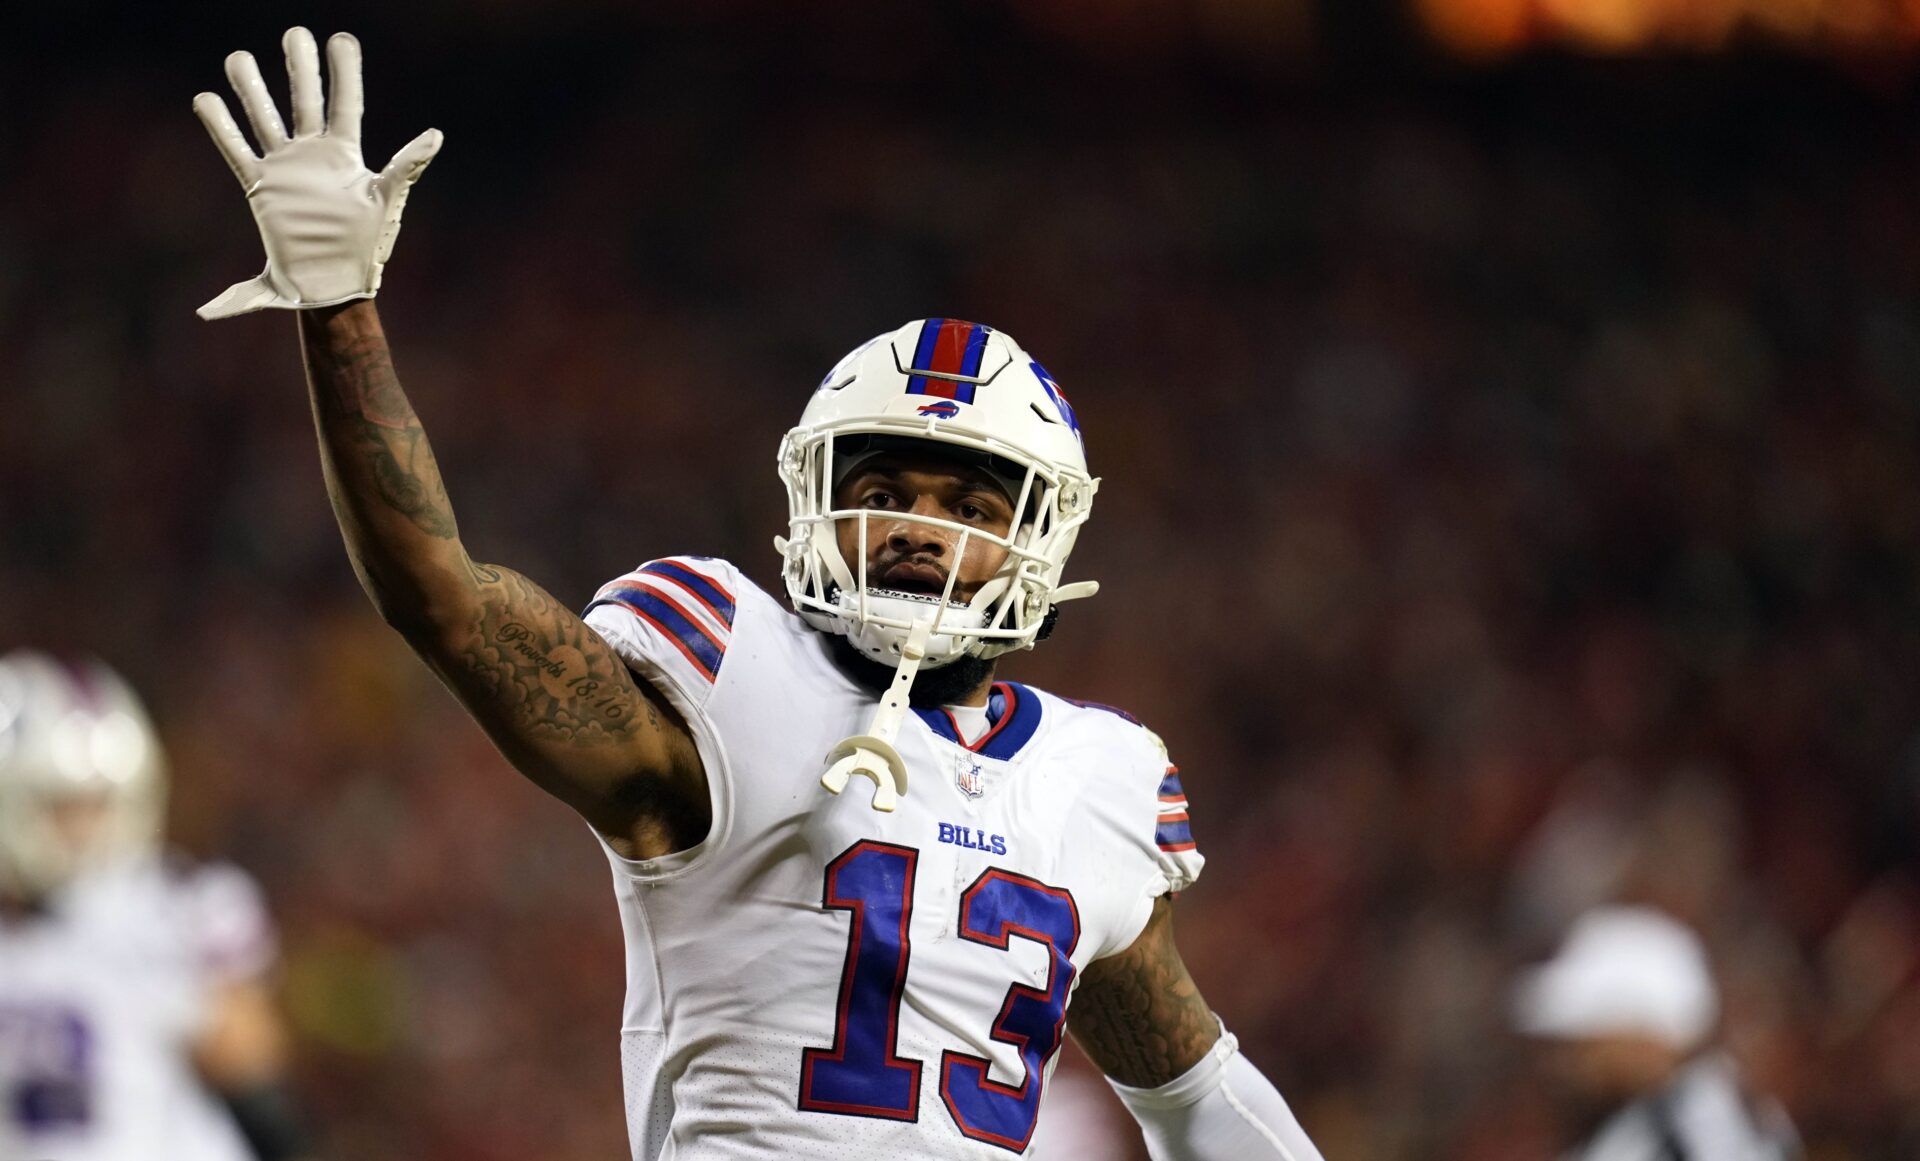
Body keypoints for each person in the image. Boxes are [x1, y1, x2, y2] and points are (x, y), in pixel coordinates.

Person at [191, 27, 1326, 1161]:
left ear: (1039, 540)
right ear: (819, 503)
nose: (923, 533)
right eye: (888, 490)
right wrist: (339, 308)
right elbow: (440, 598)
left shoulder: (1098, 783)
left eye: (973, 510)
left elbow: (1192, 1095)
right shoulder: (726, 670)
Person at [0, 651, 312, 1161]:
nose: (89, 829)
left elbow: (254, 1076)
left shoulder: (175, 908)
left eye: (101, 804)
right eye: (65, 806)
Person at [1511, 905, 1799, 1161]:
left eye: (1590, 1035)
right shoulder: (1699, 1109)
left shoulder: (1690, 1130)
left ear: (1639, 1035)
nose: (1571, 1055)